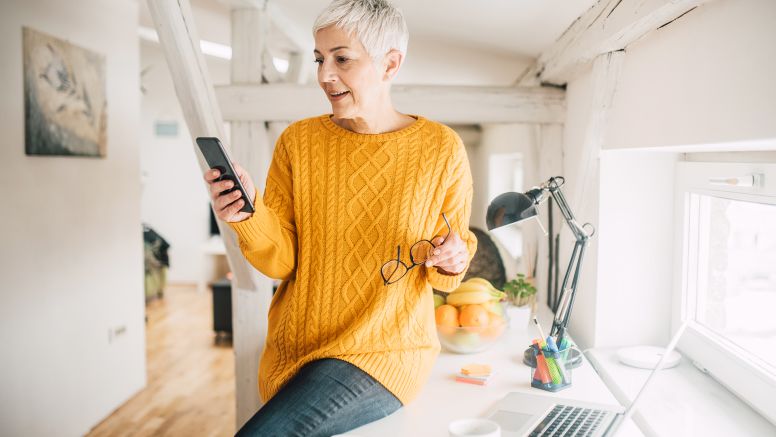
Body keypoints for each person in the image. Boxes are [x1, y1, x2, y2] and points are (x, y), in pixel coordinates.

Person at [205, 0, 477, 435]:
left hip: (382, 353)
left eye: (342, 59)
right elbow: (283, 262)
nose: (324, 75)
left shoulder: (441, 149)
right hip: (295, 351)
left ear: (390, 64)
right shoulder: (298, 142)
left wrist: (453, 257)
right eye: (319, 59)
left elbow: (449, 270)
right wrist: (248, 214)